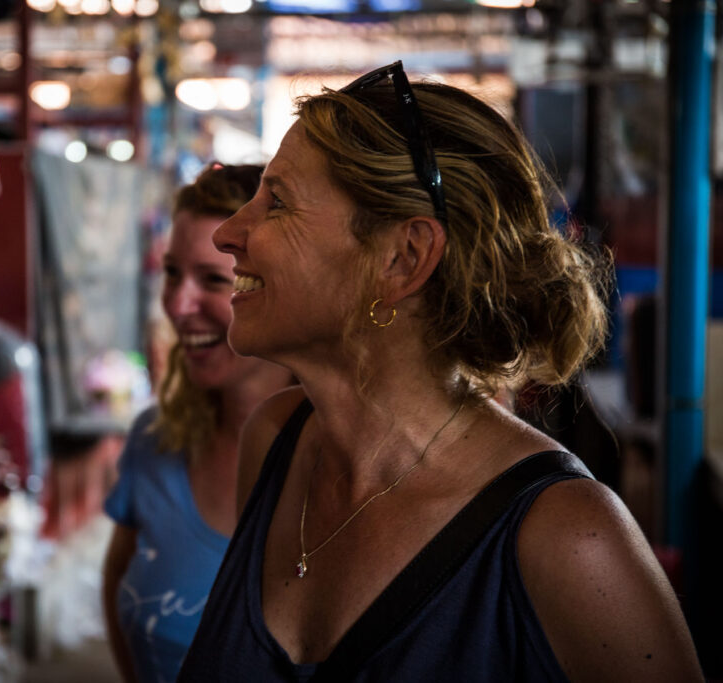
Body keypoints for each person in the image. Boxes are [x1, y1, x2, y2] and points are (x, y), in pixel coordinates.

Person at [179, 63, 702, 682]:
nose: (230, 232)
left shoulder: (568, 538)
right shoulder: (275, 443)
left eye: (279, 202)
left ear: (403, 257)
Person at [102, 164, 293, 683]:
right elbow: (119, 579)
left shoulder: (344, 461)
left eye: (212, 279)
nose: (178, 305)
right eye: (170, 273)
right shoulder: (154, 440)